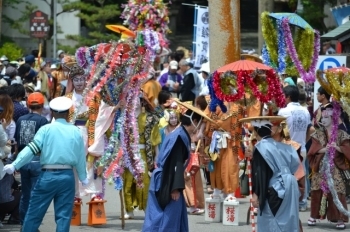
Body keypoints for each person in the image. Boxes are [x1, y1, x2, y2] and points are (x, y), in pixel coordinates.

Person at [3, 96, 88, 232]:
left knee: (34, 214)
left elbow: (32, 149)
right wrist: (83, 177)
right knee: (63, 217)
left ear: (53, 112)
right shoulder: (76, 132)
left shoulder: (46, 130)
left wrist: (15, 165)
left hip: (47, 176)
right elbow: (80, 157)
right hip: (67, 177)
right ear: (68, 113)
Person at [142, 100, 213, 232]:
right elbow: (175, 162)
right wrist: (174, 188)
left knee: (166, 218)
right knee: (167, 219)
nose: (199, 127)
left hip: (166, 178)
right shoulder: (179, 136)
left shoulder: (179, 133)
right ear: (194, 122)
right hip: (167, 181)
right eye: (199, 123)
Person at [241, 116, 300, 232]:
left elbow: (262, 173)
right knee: (289, 221)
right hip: (291, 186)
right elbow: (295, 164)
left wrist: (257, 194)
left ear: (257, 132)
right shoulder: (285, 146)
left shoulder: (260, 147)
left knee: (272, 222)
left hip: (275, 189)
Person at [307, 103, 350, 229]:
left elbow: (347, 148)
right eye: (322, 118)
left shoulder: (342, 134)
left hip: (336, 167)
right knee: (316, 189)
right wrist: (323, 149)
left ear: (334, 118)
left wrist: (338, 148)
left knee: (338, 189)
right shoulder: (318, 134)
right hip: (321, 166)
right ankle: (314, 216)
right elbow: (312, 150)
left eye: (326, 118)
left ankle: (339, 218)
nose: (323, 120)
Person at [14, 92, 49, 227]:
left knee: (25, 194)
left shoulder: (20, 119)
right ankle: (32, 225)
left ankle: (24, 224)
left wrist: (16, 161)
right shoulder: (43, 121)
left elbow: (17, 141)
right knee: (36, 196)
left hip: (23, 160)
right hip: (37, 160)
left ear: (28, 105)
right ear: (41, 106)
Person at [278, 85, 311, 211]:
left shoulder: (283, 112)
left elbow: (280, 131)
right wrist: (303, 141)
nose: (283, 99)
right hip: (301, 148)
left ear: (289, 97)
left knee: (287, 176)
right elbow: (311, 129)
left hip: (287, 148)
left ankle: (289, 201)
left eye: (284, 96)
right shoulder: (306, 111)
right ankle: (302, 202)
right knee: (302, 175)